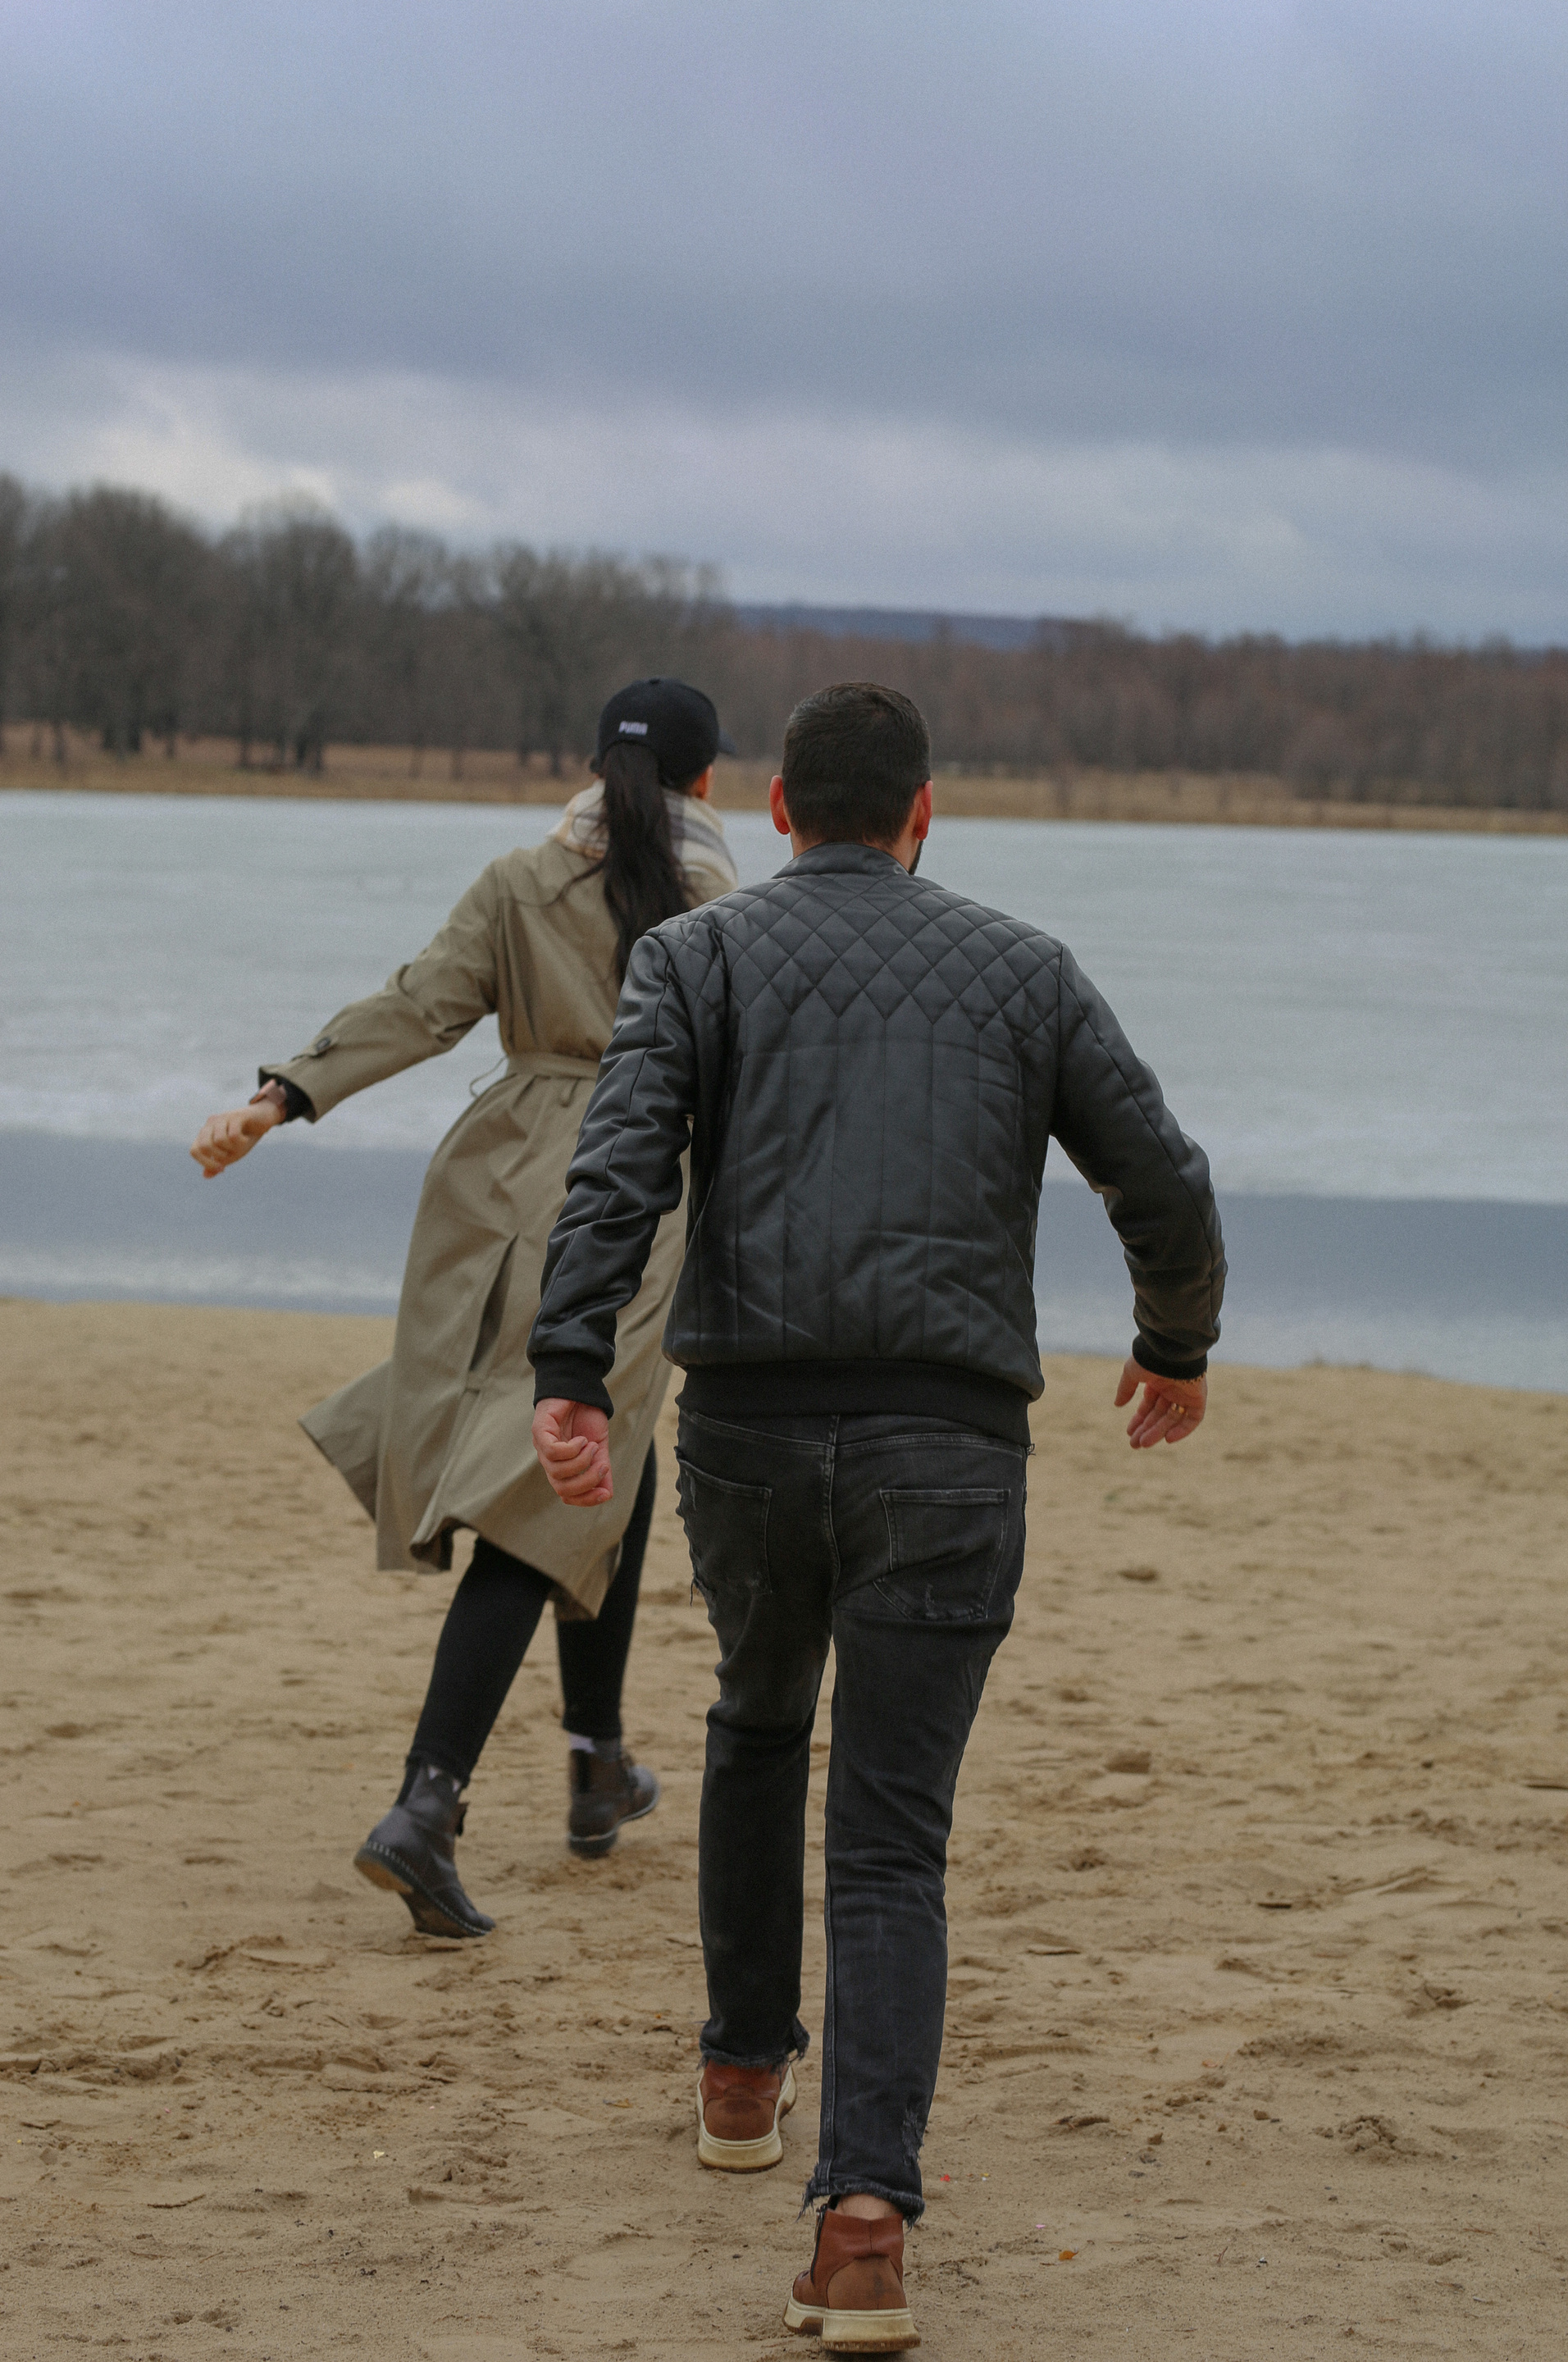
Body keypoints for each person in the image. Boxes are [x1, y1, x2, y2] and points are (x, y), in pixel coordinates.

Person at [526, 682, 1224, 2351]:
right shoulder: (1027, 969)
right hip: (950, 1444)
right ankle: (861, 2229)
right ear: (925, 815)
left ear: (776, 809)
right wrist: (1173, 1342)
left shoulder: (691, 958)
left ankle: (740, 2076)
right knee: (894, 1832)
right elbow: (1161, 1176)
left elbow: (617, 1169)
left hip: (748, 1433)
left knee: (759, 1722)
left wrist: (570, 1365)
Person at [189, 677, 739, 1939]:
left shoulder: (520, 880)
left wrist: (280, 1096)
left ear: (594, 769)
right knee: (547, 1480)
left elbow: (419, 1003)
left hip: (493, 1180)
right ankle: (425, 1806)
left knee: (608, 1455)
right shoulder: (722, 905)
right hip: (631, 1191)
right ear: (711, 781)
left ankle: (597, 1761)